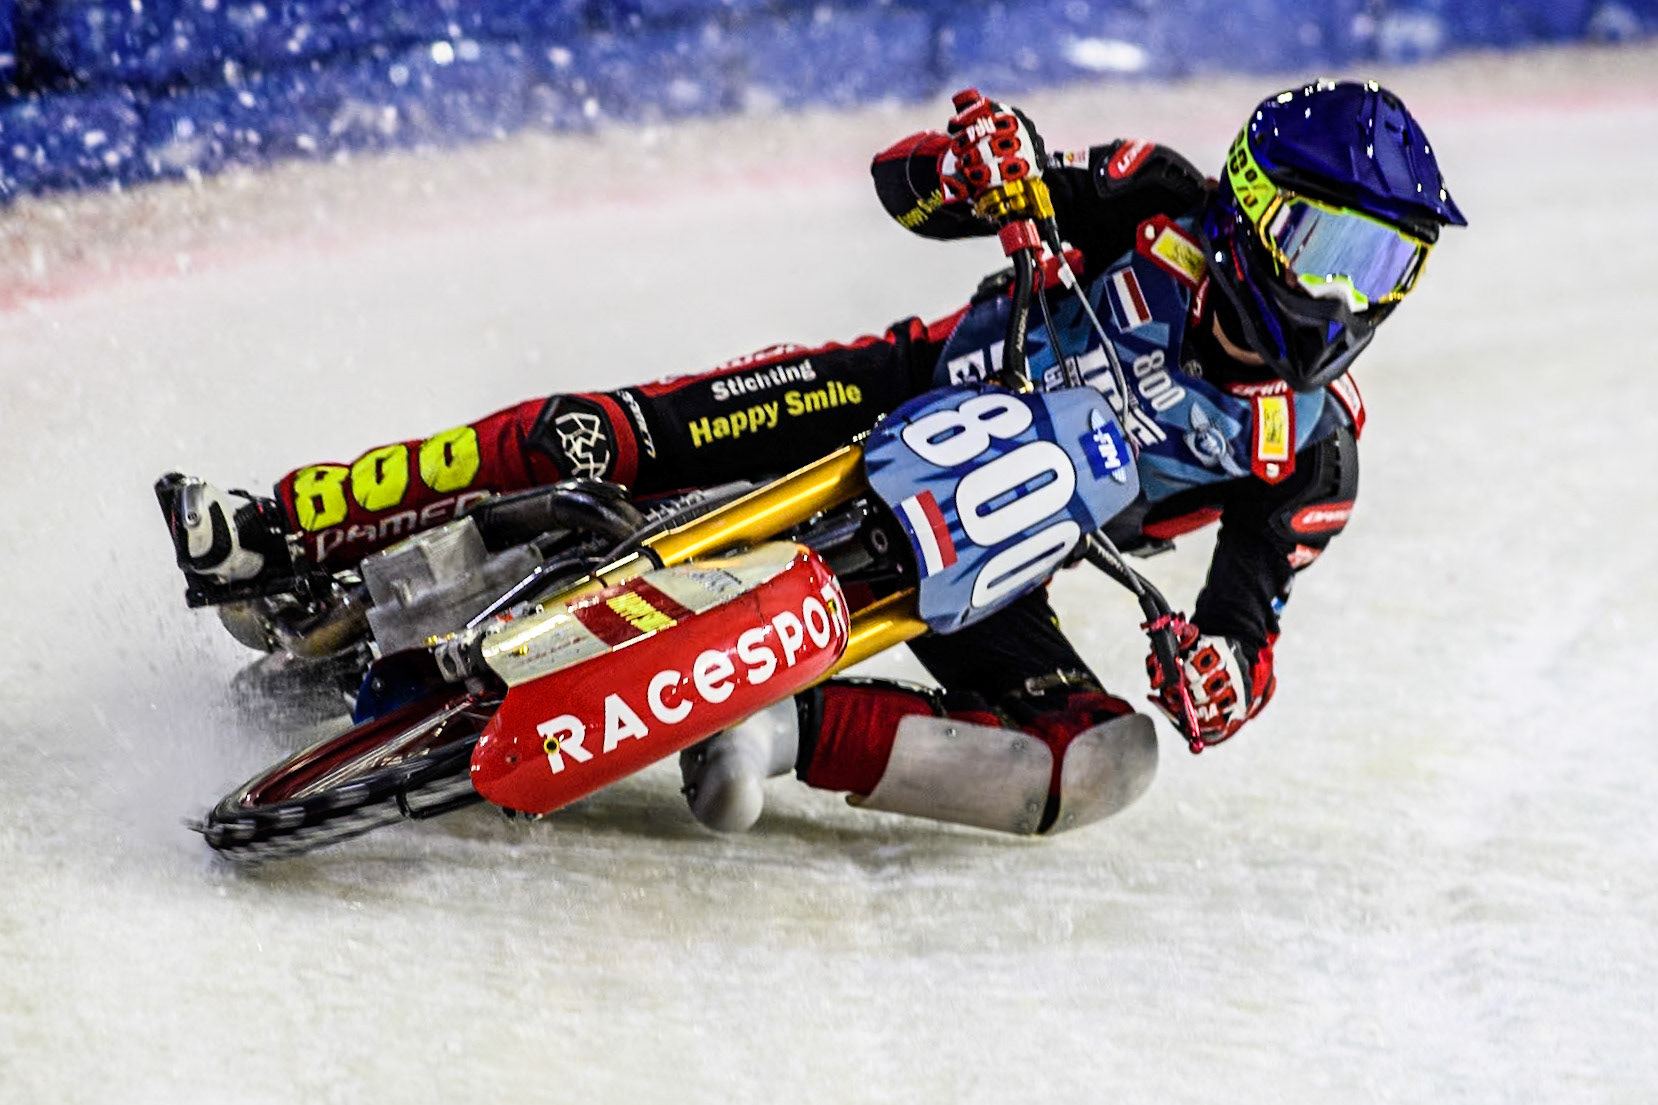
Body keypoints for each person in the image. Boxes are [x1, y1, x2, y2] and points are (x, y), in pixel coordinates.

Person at [158, 79, 1464, 836]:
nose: (1343, 295)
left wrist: (1214, 678)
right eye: (1327, 245)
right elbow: (909, 189)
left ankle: (776, 729)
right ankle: (283, 527)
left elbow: (1247, 630)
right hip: (888, 390)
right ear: (1248, 205)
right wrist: (974, 166)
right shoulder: (1149, 197)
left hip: (993, 564)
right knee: (597, 437)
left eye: (1384, 265)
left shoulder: (1317, 452)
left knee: (1102, 760)